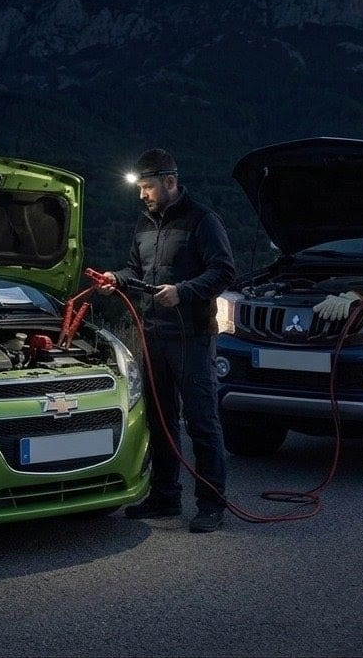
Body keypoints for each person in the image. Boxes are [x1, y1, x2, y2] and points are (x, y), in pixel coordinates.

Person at [99, 148, 236, 533]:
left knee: (201, 422)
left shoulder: (203, 220)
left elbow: (224, 270)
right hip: (154, 335)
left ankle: (211, 505)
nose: (142, 194)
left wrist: (184, 291)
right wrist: (116, 279)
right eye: (140, 187)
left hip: (191, 338)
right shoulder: (144, 224)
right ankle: (165, 497)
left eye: (147, 187)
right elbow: (134, 268)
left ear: (170, 182)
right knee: (160, 421)